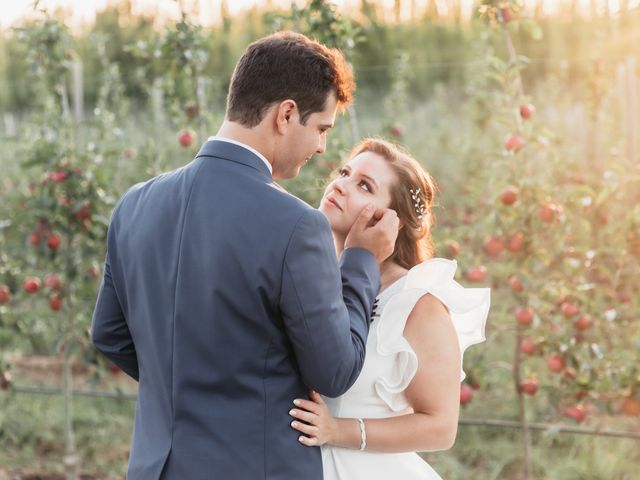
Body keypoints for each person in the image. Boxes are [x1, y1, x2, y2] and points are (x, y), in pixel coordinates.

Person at [90, 32, 400, 479]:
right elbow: (334, 371)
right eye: (322, 129)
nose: (321, 148)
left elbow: (109, 333)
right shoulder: (296, 225)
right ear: (286, 115)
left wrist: (184, 392)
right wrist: (360, 260)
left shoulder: (135, 204)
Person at [288, 138, 490, 479]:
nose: (340, 185)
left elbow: (441, 427)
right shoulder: (309, 277)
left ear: (391, 220)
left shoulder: (417, 302)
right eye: (345, 172)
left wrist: (339, 430)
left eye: (364, 185)